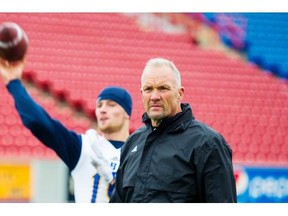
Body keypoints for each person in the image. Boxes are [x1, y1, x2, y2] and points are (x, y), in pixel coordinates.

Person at [0, 58, 133, 203]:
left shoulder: (140, 153)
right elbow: (39, 122)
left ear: (127, 113)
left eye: (111, 105)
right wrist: (14, 83)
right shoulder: (84, 146)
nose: (102, 110)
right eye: (99, 105)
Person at [110, 57, 237, 203]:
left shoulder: (207, 144)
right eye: (148, 89)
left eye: (163, 88)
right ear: (141, 94)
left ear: (180, 93)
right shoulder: (133, 142)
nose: (155, 96)